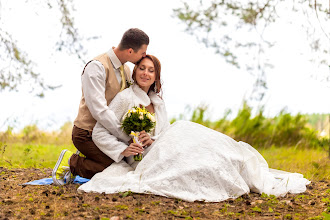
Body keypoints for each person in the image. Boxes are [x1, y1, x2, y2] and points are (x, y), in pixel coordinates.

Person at [77, 55, 310, 202]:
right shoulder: (125, 99)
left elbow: (163, 131)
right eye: (142, 68)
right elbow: (99, 132)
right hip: (144, 157)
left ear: (156, 76)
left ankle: (238, 163)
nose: (146, 73)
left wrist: (153, 138)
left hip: (162, 144)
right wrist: (124, 149)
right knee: (198, 164)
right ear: (135, 71)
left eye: (151, 70)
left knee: (210, 146)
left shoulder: (158, 101)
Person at [52, 28, 149, 186]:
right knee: (113, 168)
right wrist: (125, 135)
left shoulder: (126, 69)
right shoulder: (96, 67)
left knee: (127, 165)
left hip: (110, 134)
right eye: (142, 52)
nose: (144, 56)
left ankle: (91, 158)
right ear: (130, 51)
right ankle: (71, 161)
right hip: (86, 133)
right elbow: (99, 110)